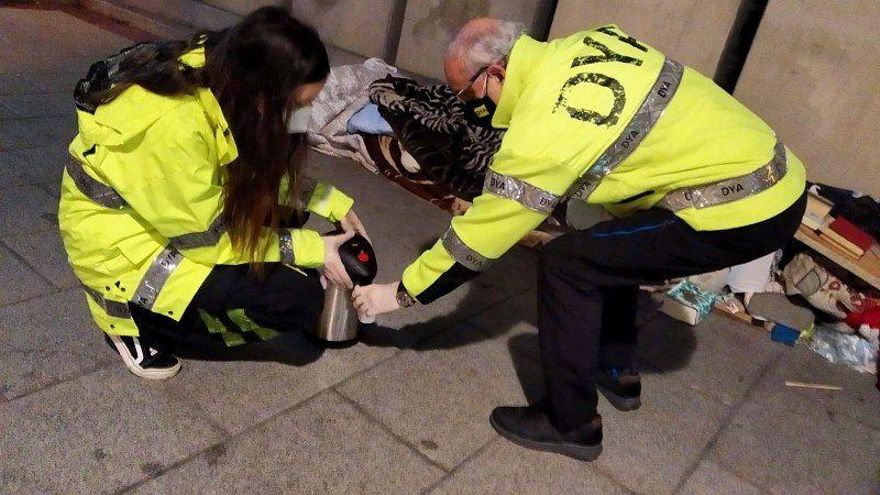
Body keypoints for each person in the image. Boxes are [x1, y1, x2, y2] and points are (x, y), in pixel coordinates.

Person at [353, 18, 806, 461]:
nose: (471, 106)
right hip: (777, 176)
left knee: (567, 264)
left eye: (467, 93)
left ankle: (571, 424)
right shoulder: (589, 43)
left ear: (497, 72)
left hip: (741, 210)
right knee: (606, 247)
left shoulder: (543, 126)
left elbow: (481, 236)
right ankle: (616, 368)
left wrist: (398, 295)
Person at [59, 7, 368, 380]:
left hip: (168, 219)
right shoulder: (175, 127)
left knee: (291, 214)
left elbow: (240, 171)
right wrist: (314, 249)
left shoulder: (222, 71)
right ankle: (133, 323)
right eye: (298, 106)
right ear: (262, 93)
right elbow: (209, 240)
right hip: (128, 261)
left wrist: (327, 200)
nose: (302, 118)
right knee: (298, 301)